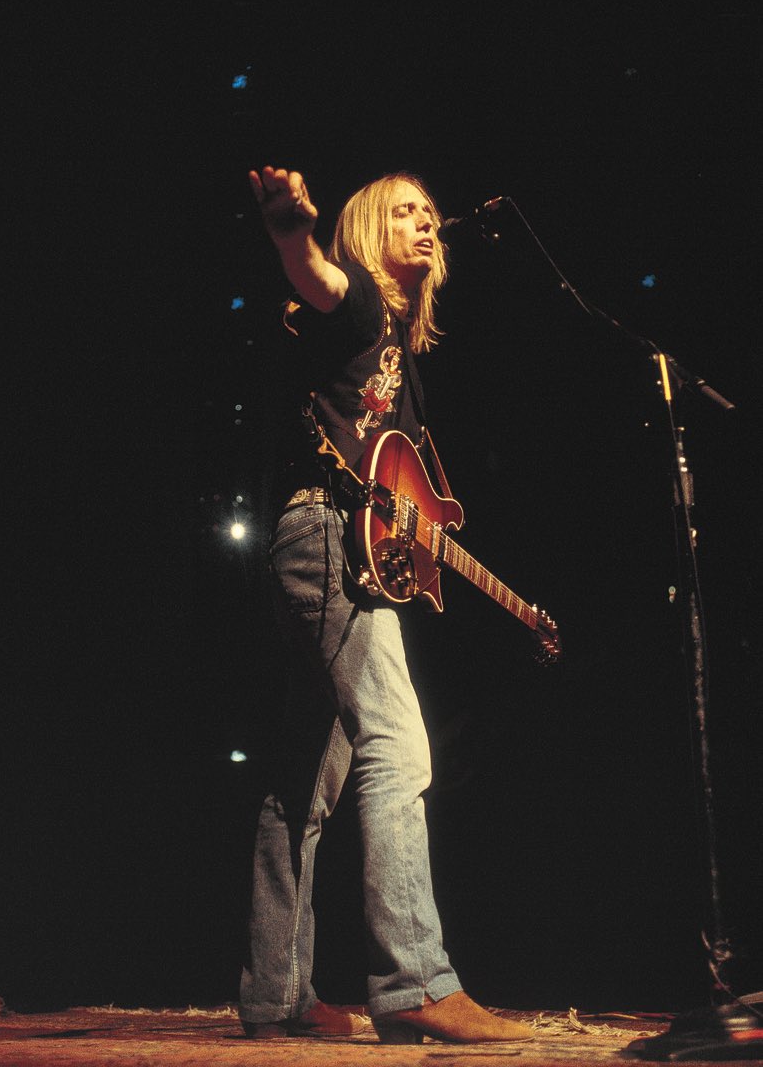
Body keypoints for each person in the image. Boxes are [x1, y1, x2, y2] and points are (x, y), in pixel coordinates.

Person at [238, 165, 533, 1045]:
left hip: (323, 542)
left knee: (304, 780)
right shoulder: (360, 302)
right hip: (329, 539)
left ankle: (275, 993)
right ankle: (412, 981)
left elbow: (395, 468)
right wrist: (292, 232)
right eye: (404, 212)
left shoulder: (398, 354)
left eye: (429, 215)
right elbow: (316, 278)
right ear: (369, 228)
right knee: (399, 748)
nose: (426, 225)